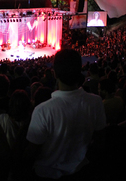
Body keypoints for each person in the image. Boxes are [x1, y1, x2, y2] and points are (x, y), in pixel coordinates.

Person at [25, 49, 106, 179]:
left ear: (54, 73)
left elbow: (32, 152)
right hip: (82, 171)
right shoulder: (96, 102)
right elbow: (100, 138)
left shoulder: (43, 111)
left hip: (47, 174)